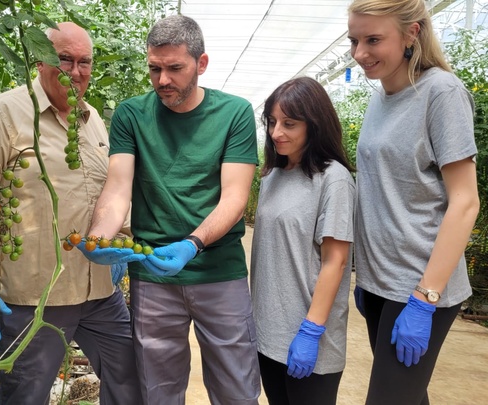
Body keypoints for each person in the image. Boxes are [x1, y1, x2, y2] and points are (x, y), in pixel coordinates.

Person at [74, 14, 262, 404]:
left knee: (236, 387)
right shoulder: (131, 114)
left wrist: (193, 243)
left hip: (218, 272)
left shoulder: (234, 113)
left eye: (175, 68)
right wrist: (98, 237)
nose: (162, 80)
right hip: (154, 278)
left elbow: (234, 197)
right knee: (158, 388)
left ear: (201, 63)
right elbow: (117, 187)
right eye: (154, 69)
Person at [0, 22, 141, 404]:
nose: (75, 71)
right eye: (64, 59)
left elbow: (111, 191)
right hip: (34, 296)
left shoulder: (94, 121)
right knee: (27, 392)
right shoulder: (6, 113)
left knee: (131, 379)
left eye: (84, 61)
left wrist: (122, 238)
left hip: (99, 291)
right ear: (40, 62)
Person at [347, 0, 480, 403]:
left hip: (419, 286)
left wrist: (426, 298)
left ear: (412, 33)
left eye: (373, 40)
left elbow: (465, 201)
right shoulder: (380, 97)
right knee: (407, 396)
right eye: (354, 40)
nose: (359, 53)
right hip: (378, 282)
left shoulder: (442, 93)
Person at [249, 77, 355, 405]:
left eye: (289, 123)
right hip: (268, 333)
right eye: (271, 122)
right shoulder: (273, 176)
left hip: (309, 336)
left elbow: (335, 261)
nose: (276, 132)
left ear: (315, 124)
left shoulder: (333, 179)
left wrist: (311, 332)